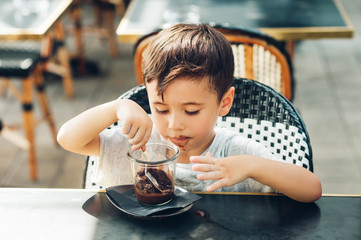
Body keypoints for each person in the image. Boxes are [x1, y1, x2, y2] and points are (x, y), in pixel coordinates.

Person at [57, 23, 321, 203]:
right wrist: (117, 107)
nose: (174, 125)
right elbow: (68, 138)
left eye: (192, 111)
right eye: (160, 109)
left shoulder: (234, 155)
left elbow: (312, 190)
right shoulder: (138, 142)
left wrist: (253, 166)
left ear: (224, 102)